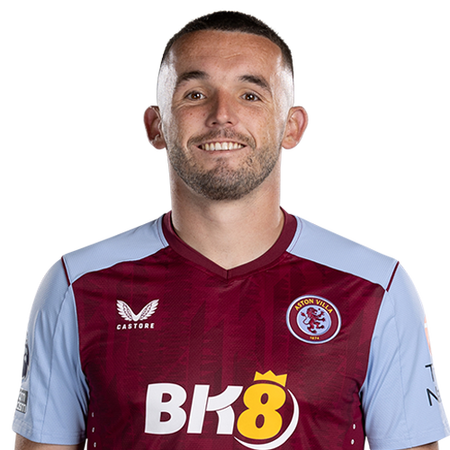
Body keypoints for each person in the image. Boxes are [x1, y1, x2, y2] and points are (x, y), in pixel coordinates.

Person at [10, 8, 450, 450]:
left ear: (293, 127)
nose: (222, 115)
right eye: (195, 94)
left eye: (251, 95)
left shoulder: (377, 286)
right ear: (155, 127)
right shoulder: (76, 283)